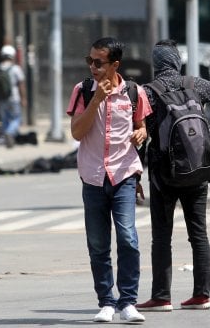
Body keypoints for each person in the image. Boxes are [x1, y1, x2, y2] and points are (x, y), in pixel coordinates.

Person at [136, 39, 210, 312]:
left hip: (164, 175)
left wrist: (136, 175)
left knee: (162, 236)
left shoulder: (147, 92)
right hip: (199, 171)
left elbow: (140, 136)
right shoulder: (196, 84)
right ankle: (201, 295)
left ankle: (161, 297)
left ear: (156, 64)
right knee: (199, 234)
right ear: (177, 61)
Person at [66, 37, 152, 323]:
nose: (93, 67)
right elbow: (77, 133)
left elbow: (141, 126)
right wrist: (98, 100)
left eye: (99, 62)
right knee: (98, 243)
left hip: (124, 173)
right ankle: (106, 302)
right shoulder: (83, 91)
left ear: (115, 64)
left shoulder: (133, 91)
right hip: (92, 176)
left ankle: (128, 302)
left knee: (128, 237)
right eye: (89, 61)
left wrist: (142, 134)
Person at [0, 45, 26, 148]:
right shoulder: (16, 69)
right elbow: (21, 84)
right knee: (16, 118)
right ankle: (9, 133)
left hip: (1, 98)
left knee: (5, 119)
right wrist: (23, 98)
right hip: (13, 98)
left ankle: (8, 138)